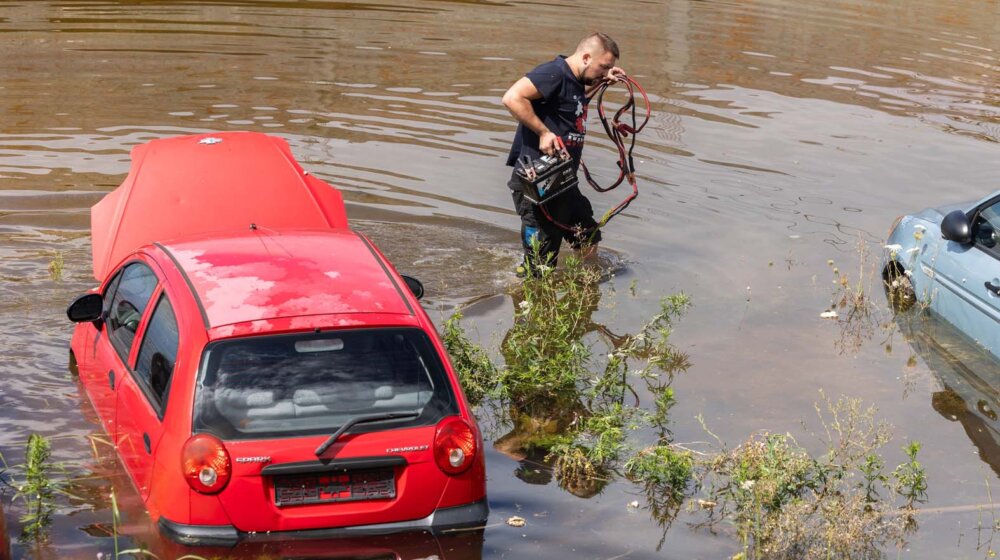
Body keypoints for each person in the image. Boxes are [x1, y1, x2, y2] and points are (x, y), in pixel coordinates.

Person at [502, 32, 625, 275]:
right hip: (537, 184)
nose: (605, 71)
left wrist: (604, 80)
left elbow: (574, 103)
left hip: (563, 182)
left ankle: (585, 286)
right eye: (604, 66)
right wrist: (543, 132)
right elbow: (512, 97)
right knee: (539, 266)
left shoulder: (575, 80)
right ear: (587, 57)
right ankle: (529, 300)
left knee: (587, 236)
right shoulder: (554, 73)